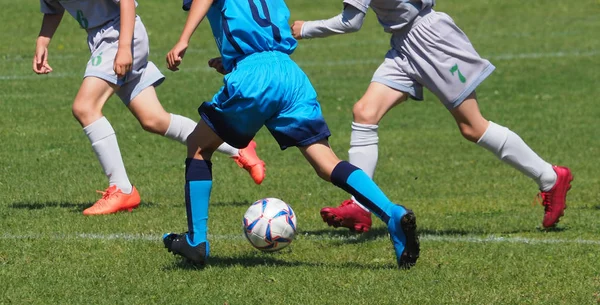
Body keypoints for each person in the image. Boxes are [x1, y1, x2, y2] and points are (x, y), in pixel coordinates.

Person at [161, 0, 420, 269]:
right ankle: (392, 214)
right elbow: (263, 28)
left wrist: (183, 40)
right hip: (289, 74)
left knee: (199, 146)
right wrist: (233, 61)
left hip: (255, 76)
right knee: (327, 163)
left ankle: (196, 242)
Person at [290, 0, 573, 232]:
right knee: (365, 112)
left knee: (473, 127)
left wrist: (306, 28)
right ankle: (360, 206)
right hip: (404, 46)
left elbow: (351, 21)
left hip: (432, 41)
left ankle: (550, 178)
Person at [33, 0, 266, 215]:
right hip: (104, 38)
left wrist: (124, 47)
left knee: (85, 107)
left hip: (121, 35)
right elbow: (53, 8)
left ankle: (121, 188)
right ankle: (237, 149)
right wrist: (43, 41)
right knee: (153, 119)